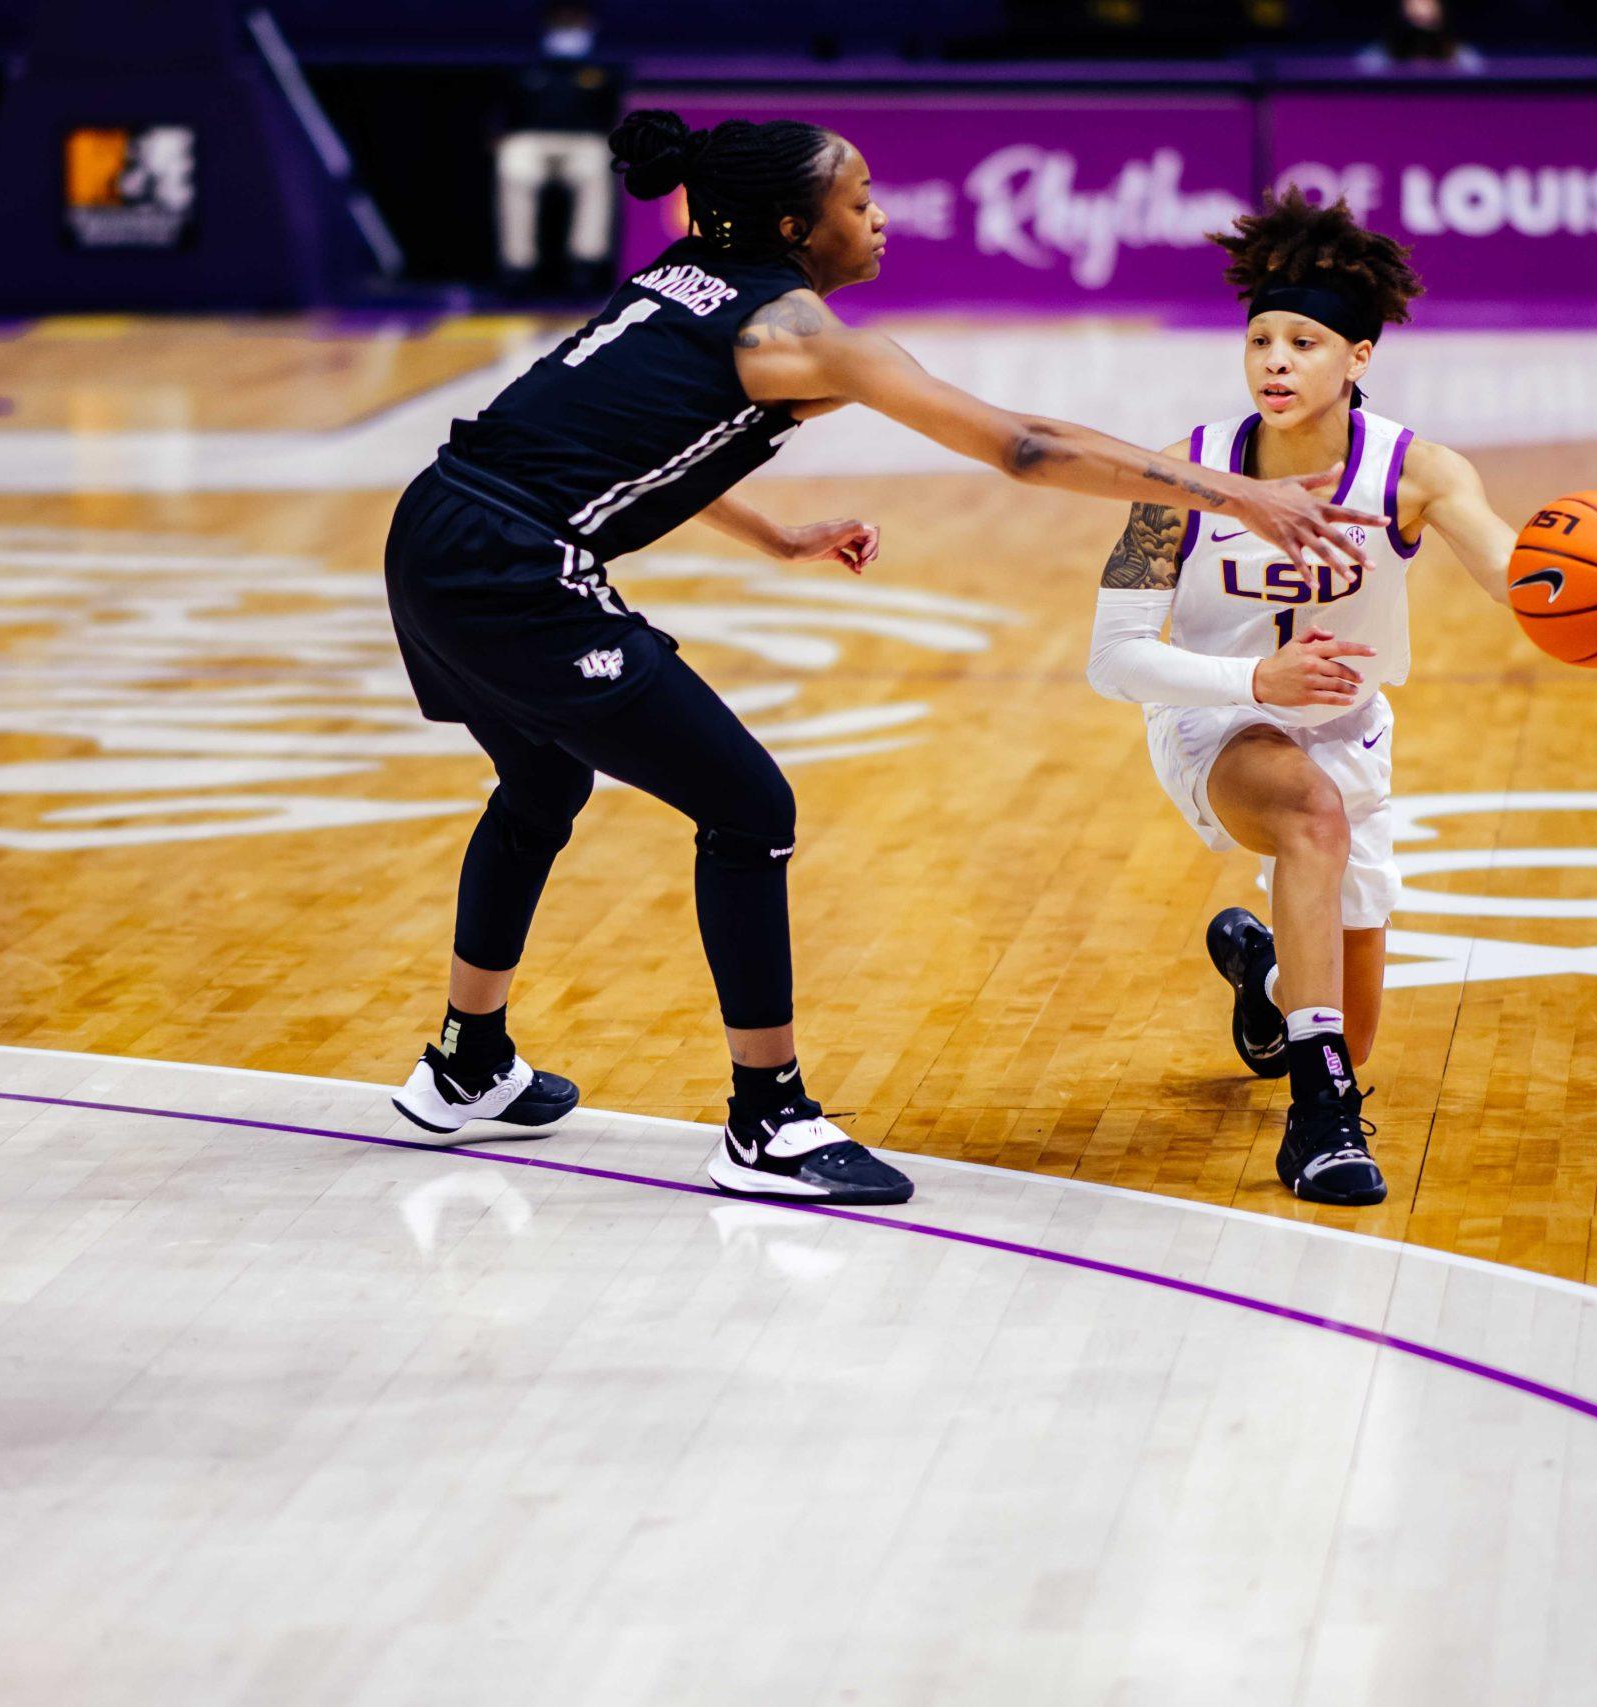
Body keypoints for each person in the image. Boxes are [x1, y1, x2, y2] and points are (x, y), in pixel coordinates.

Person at [384, 112, 1380, 1206]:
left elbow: (619, 442)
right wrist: (1238, 492)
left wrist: (779, 536)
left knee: (540, 781)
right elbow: (1025, 447)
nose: (880, 216)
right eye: (858, 201)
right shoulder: (804, 337)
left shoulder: (682, 278)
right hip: (514, 574)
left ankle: (466, 1063)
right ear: (789, 226)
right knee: (749, 807)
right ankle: (767, 1120)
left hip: (435, 531)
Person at [1084, 189, 1525, 1207]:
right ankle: (1321, 1124)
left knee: (1341, 1015)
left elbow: (1510, 572)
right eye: (1260, 341)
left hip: (1350, 733)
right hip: (1213, 716)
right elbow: (1113, 659)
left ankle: (1266, 982)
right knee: (1307, 817)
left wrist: (1578, 585)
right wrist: (1253, 681)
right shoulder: (1181, 474)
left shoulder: (1418, 472)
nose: (1275, 362)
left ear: (1358, 357)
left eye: (1304, 343)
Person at [495, 4, 624, 297]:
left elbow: (616, 117)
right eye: (561, 22)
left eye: (574, 22)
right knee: (513, 165)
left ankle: (586, 262)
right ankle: (518, 266)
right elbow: (501, 118)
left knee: (597, 166)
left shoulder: (605, 71)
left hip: (584, 141)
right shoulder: (525, 69)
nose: (568, 30)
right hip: (531, 140)